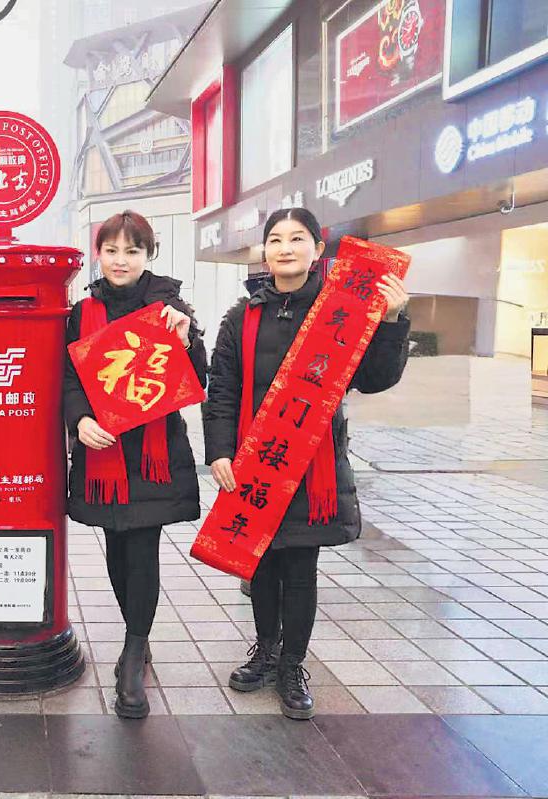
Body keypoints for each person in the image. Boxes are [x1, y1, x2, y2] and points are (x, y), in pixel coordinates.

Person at [203, 208, 410, 720]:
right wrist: (220, 452)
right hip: (256, 460)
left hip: (310, 463)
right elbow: (222, 388)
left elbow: (375, 379)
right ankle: (266, 651)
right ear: (265, 252)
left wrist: (390, 321)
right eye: (275, 240)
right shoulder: (241, 317)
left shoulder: (341, 312)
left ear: (318, 249)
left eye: (297, 239)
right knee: (260, 562)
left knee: (299, 567)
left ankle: (292, 664)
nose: (285, 248)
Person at [62, 210, 208, 719]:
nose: (121, 260)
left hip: (152, 452)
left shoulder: (169, 309)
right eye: (112, 250)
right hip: (102, 449)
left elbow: (199, 377)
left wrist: (187, 338)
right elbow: (68, 377)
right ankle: (136, 639)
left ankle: (132, 651)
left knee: (142, 546)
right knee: (117, 545)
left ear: (149, 255)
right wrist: (79, 420)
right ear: (98, 254)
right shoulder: (82, 313)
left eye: (132, 251)